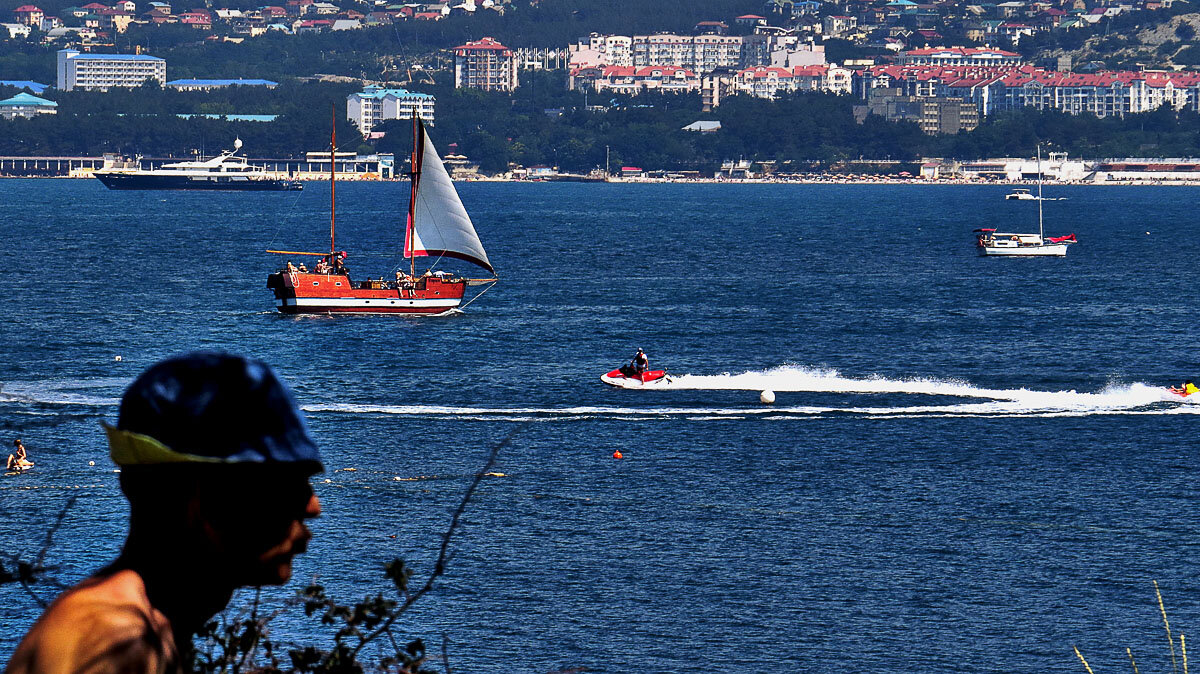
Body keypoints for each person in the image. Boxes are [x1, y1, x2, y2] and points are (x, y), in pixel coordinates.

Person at [7, 353, 323, 674]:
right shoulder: (111, 641)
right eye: (289, 483)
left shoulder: (148, 627)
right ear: (200, 497)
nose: (313, 506)